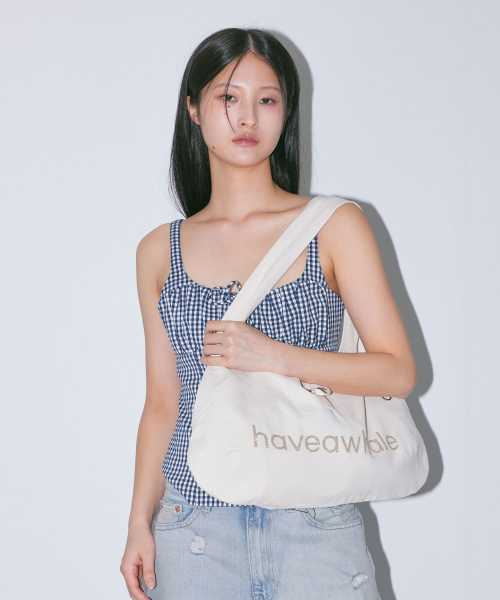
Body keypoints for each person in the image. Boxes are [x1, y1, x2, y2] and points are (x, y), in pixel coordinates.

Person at [120, 27, 416, 600]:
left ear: (286, 112)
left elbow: (397, 371)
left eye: (268, 99)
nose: (248, 117)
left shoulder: (334, 226)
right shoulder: (159, 251)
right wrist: (138, 523)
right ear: (194, 109)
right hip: (193, 528)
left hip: (315, 523)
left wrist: (273, 355)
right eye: (228, 97)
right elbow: (162, 403)